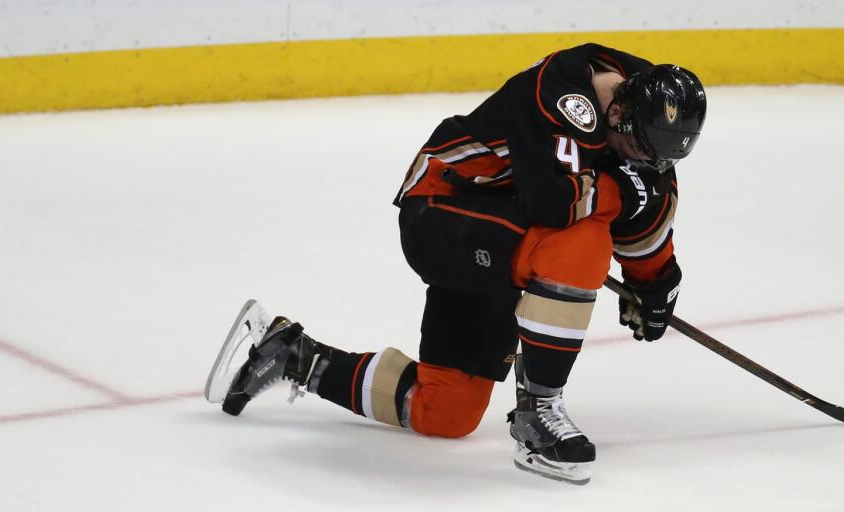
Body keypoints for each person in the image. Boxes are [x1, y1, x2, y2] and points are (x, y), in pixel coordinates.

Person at [204, 43, 707, 485]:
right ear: (618, 109)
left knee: (447, 411)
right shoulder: (561, 92)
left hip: (505, 242)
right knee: (583, 241)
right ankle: (538, 414)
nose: (646, 162)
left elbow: (648, 198)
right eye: (638, 147)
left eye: (659, 156)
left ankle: (293, 354)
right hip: (442, 211)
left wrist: (657, 281)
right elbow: (556, 203)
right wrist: (628, 196)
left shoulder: (644, 122)